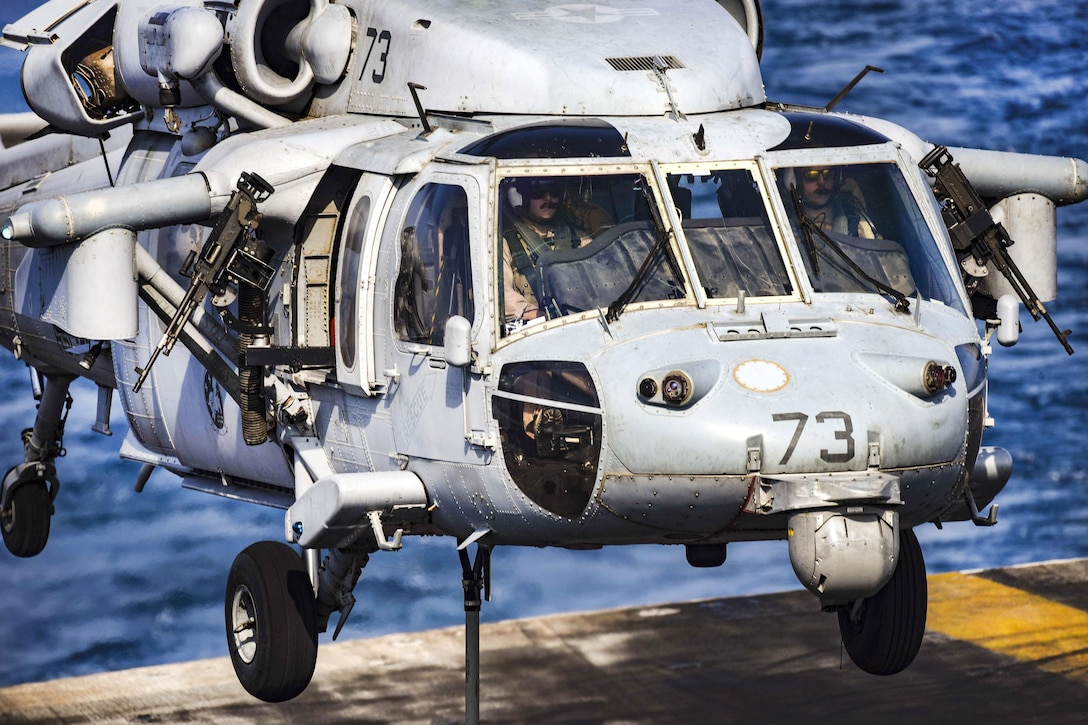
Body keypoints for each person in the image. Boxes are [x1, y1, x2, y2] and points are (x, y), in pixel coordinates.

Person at [500, 178, 591, 326]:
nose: (548, 198)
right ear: (524, 196)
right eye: (538, 192)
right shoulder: (507, 242)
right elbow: (499, 292)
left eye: (554, 191)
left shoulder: (578, 237)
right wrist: (530, 312)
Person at [796, 166, 877, 239]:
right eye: (811, 175)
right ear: (797, 181)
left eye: (827, 174)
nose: (821, 182)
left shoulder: (858, 225)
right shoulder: (787, 226)